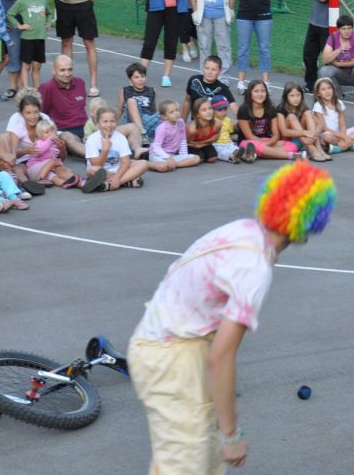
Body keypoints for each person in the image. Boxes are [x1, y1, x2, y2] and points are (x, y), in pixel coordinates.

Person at [128, 161, 336, 474]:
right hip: (169, 355)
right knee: (187, 466)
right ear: (312, 221)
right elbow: (221, 357)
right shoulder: (254, 267)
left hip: (169, 338)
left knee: (202, 461)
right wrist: (231, 435)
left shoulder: (244, 230)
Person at [234, 0, 276, 93]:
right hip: (244, 16)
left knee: (264, 48)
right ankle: (241, 81)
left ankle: (266, 82)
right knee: (243, 48)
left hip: (263, 16)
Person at [82, 106, 152, 193]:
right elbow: (96, 164)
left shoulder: (120, 138)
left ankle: (110, 184)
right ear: (98, 123)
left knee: (144, 163)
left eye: (112, 121)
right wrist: (105, 150)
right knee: (92, 170)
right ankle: (127, 181)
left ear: (116, 123)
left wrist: (117, 177)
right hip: (101, 171)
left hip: (118, 170)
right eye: (105, 122)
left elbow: (125, 162)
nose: (109, 125)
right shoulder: (92, 139)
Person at [6, 0, 53, 88]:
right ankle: (26, 89)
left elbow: (49, 13)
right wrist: (19, 26)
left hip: (40, 37)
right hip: (28, 38)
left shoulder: (43, 0)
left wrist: (48, 22)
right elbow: (10, 14)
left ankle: (38, 90)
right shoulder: (22, 1)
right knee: (26, 66)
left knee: (37, 66)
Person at [38, 55, 90, 158]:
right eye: (62, 70)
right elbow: (41, 115)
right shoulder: (46, 88)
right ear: (54, 70)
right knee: (68, 137)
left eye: (70, 70)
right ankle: (98, 158)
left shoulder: (80, 82)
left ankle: (128, 154)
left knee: (130, 127)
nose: (67, 74)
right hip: (64, 131)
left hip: (86, 128)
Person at [236, 80, 302, 161]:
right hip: (249, 142)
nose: (260, 94)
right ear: (250, 93)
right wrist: (265, 145)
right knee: (254, 146)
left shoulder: (270, 108)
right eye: (256, 91)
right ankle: (291, 156)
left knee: (292, 146)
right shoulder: (243, 109)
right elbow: (249, 136)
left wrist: (267, 144)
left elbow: (276, 135)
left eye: (263, 91)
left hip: (267, 141)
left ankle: (261, 153)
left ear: (266, 93)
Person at [319, 15, 354, 100]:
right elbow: (325, 59)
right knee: (324, 71)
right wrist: (339, 50)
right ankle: (337, 96)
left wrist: (337, 63)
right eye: (344, 29)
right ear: (338, 30)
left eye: (349, 28)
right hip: (340, 74)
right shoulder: (332, 38)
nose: (347, 31)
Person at [302, 0, 330, 93]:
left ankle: (328, 86)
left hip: (326, 24)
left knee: (327, 58)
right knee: (308, 54)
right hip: (313, 22)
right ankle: (310, 84)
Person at [312, 77, 354, 154]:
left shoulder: (339, 103)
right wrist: (343, 137)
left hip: (340, 133)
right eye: (323, 89)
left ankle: (339, 147)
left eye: (329, 88)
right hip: (328, 133)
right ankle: (349, 145)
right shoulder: (318, 106)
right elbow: (324, 128)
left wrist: (343, 137)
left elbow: (343, 125)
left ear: (333, 89)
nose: (327, 91)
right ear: (318, 94)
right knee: (327, 137)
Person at [278, 81, 328, 162]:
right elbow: (284, 132)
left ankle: (318, 148)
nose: (296, 98)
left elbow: (320, 124)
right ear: (286, 97)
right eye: (292, 96)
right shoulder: (281, 109)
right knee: (291, 117)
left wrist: (314, 134)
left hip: (306, 140)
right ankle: (312, 149)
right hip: (289, 140)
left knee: (308, 113)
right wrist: (305, 132)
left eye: (298, 95)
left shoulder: (303, 107)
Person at [149, 101, 202, 169]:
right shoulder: (162, 128)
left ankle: (174, 165)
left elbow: (182, 140)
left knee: (196, 158)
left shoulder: (181, 122)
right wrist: (167, 157)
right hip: (158, 155)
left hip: (172, 155)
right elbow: (156, 147)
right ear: (164, 117)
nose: (176, 113)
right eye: (171, 112)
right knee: (163, 166)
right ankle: (154, 164)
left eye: (176, 110)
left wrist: (183, 156)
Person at [119, 62, 162, 143]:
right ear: (130, 79)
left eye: (143, 76)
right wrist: (112, 123)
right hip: (132, 122)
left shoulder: (152, 90)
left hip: (148, 121)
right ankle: (142, 133)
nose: (140, 80)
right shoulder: (125, 90)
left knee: (168, 108)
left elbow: (153, 109)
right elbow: (119, 110)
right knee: (131, 101)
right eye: (136, 77)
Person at [210, 95, 244, 164]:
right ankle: (233, 157)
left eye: (225, 109)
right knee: (222, 152)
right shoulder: (211, 121)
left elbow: (228, 132)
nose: (224, 112)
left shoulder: (227, 120)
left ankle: (247, 155)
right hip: (217, 144)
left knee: (235, 149)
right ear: (212, 110)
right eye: (220, 110)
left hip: (229, 143)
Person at [187, 98, 220, 164]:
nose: (208, 112)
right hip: (191, 146)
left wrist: (201, 144)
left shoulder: (217, 123)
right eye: (204, 110)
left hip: (204, 144)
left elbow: (215, 138)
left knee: (212, 159)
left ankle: (203, 154)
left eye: (210, 108)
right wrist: (197, 145)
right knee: (200, 159)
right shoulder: (192, 129)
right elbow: (186, 143)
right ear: (197, 114)